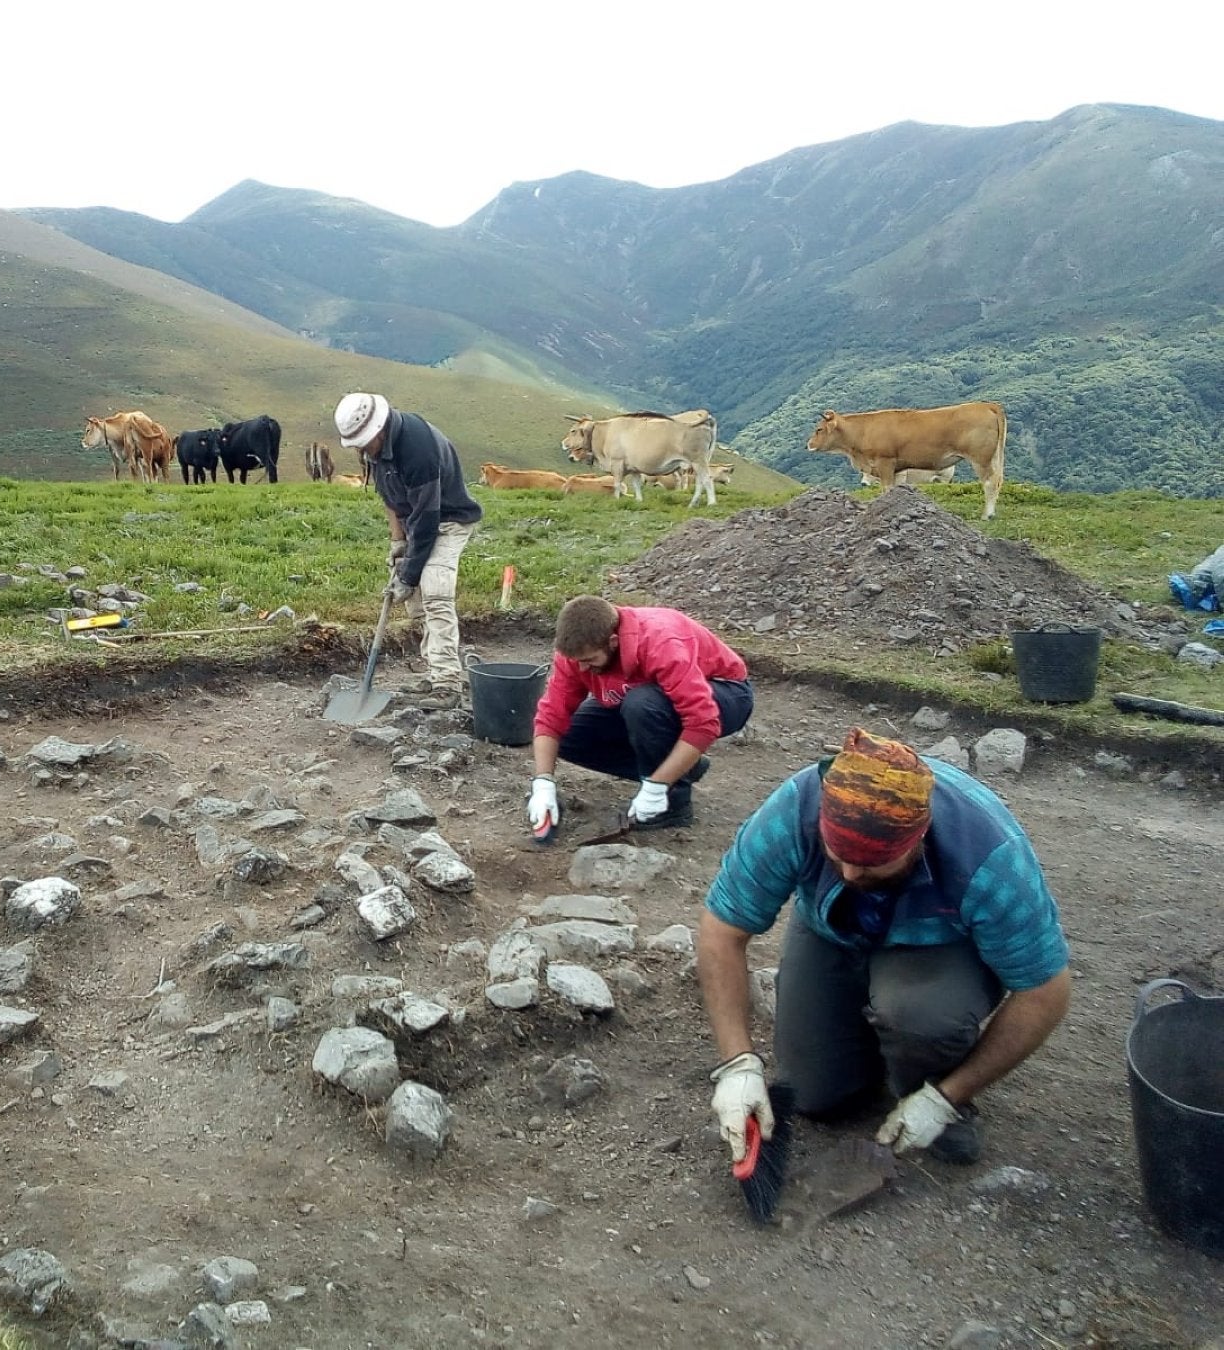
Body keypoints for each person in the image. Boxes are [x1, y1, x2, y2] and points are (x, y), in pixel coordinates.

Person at [697, 728, 1071, 1167]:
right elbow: (722, 929)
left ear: (919, 838)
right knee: (813, 1093)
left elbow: (1047, 991)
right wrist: (738, 1064)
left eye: (873, 864)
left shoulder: (988, 856)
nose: (852, 875)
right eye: (837, 857)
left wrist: (946, 1097)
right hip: (831, 929)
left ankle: (933, 1087)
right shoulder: (797, 809)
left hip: (936, 944)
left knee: (921, 1017)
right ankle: (868, 1044)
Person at [526, 595, 753, 835]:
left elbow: (703, 721)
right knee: (569, 735)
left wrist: (656, 788)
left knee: (642, 705)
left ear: (613, 642)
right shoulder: (578, 652)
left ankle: (672, 800)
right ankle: (680, 768)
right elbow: (551, 717)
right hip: (646, 698)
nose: (582, 668)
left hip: (725, 693)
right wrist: (543, 783)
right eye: (577, 661)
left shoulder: (661, 643)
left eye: (589, 660)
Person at [334, 392, 484, 709]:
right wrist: (397, 541)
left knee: (435, 592)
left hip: (448, 519)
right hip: (416, 523)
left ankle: (447, 684)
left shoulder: (419, 448)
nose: (360, 449)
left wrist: (408, 575)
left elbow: (429, 518)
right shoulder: (374, 448)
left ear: (380, 428)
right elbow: (388, 496)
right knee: (417, 608)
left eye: (363, 441)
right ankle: (433, 673)